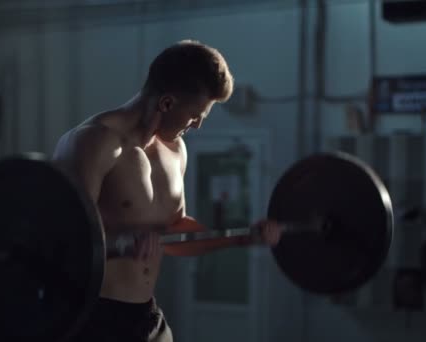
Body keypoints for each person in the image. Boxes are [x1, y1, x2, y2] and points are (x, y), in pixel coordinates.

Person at [52, 40, 282, 342]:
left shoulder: (176, 151)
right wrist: (120, 244)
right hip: (91, 316)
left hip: (145, 317)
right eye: (195, 115)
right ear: (167, 103)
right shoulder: (94, 143)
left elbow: (175, 232)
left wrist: (241, 238)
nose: (198, 125)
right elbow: (61, 241)